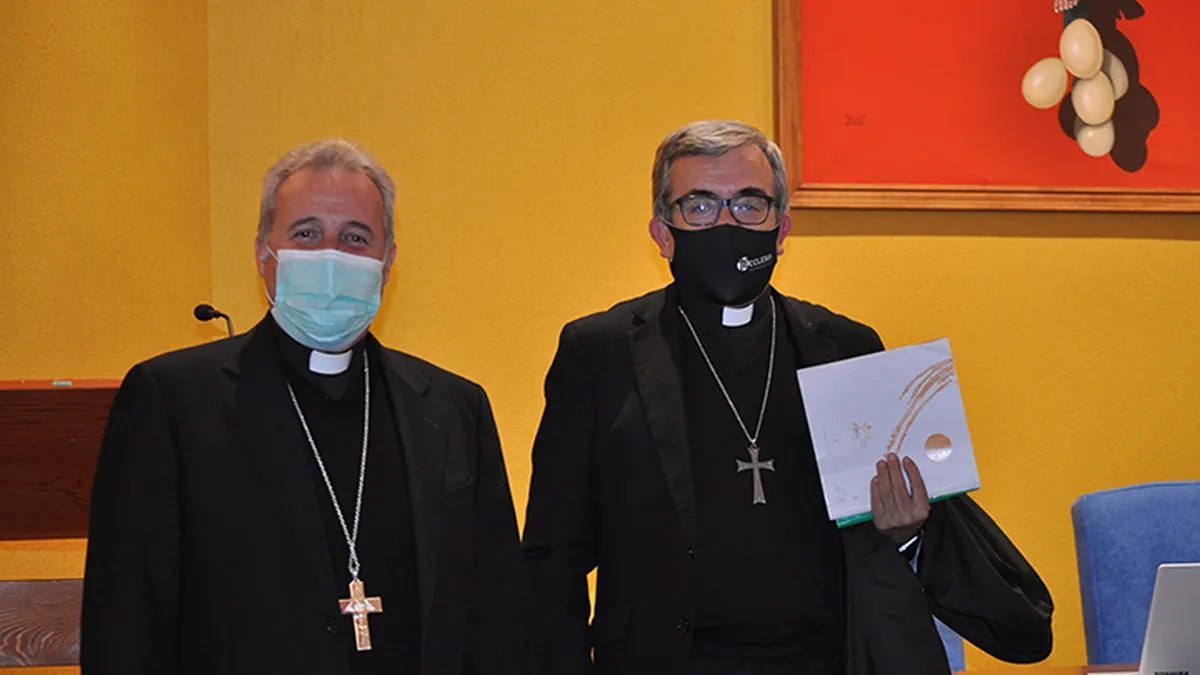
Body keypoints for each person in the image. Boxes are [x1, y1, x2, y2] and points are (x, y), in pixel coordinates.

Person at [522, 120, 1054, 675]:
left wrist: (905, 530)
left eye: (749, 204)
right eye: (699, 206)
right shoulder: (599, 353)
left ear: (781, 230)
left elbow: (895, 538)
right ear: (663, 233)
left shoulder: (846, 349)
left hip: (827, 660)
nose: (727, 223)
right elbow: (554, 552)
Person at [82, 138, 530, 675]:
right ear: (262, 253)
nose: (331, 256)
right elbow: (125, 624)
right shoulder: (172, 401)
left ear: (387, 262)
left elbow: (498, 618)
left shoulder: (455, 408)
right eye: (306, 233)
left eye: (356, 237)